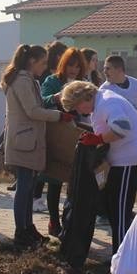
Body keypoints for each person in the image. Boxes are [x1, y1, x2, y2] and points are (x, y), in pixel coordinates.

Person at [62, 80, 137, 252]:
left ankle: (121, 258)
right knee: (113, 207)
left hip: (130, 160)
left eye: (77, 107)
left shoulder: (108, 102)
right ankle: (123, 254)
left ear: (84, 98)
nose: (78, 111)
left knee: (119, 210)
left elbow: (122, 128)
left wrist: (99, 139)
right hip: (123, 159)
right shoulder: (99, 102)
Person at [2, 44, 73, 249]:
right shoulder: (22, 80)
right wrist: (59, 116)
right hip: (24, 140)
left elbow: (37, 103)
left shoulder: (27, 79)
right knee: (24, 188)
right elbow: (33, 110)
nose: (44, 67)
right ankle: (21, 232)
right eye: (42, 63)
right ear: (32, 62)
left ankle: (28, 227)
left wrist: (52, 100)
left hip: (28, 139)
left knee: (29, 186)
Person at [38, 47, 87, 234]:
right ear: (63, 65)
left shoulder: (83, 83)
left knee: (75, 180)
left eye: (77, 66)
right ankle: (53, 221)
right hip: (57, 133)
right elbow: (41, 102)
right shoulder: (52, 81)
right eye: (70, 65)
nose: (73, 70)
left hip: (78, 133)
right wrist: (57, 98)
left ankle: (70, 220)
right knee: (54, 178)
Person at [100, 55, 137, 123]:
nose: (104, 71)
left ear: (119, 69)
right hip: (115, 130)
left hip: (136, 127)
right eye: (104, 68)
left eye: (108, 68)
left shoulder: (136, 84)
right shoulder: (104, 90)